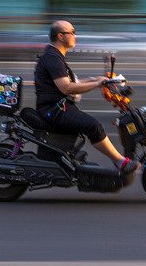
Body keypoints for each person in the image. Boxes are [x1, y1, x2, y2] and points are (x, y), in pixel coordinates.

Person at [34, 20, 140, 174]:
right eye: (72, 32)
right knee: (94, 126)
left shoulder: (54, 56)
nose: (75, 35)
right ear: (60, 36)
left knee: (89, 125)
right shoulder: (53, 58)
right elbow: (66, 87)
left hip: (58, 107)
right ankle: (120, 162)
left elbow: (72, 82)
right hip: (55, 110)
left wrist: (97, 80)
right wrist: (98, 84)